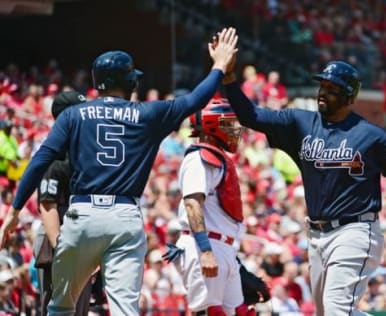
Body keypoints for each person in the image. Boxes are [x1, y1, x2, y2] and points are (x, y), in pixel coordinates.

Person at [0, 27, 238, 316]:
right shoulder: (148, 114)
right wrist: (218, 67)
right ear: (129, 82)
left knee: (61, 307)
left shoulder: (74, 115)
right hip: (124, 218)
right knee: (125, 310)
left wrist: (13, 211)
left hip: (82, 217)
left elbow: (39, 161)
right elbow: (195, 100)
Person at [221, 59, 386, 315]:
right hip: (317, 235)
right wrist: (229, 76)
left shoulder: (370, 136)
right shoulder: (299, 123)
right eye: (322, 85)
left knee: (336, 311)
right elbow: (250, 115)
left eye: (332, 88)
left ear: (349, 96)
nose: (323, 92)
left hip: (355, 230)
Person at [170, 98, 254, 315]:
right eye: (229, 123)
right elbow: (192, 204)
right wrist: (206, 249)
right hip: (204, 246)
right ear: (212, 125)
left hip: (222, 247)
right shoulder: (200, 157)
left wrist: (234, 261)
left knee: (241, 312)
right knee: (210, 312)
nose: (235, 129)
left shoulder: (217, 157)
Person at [33, 90, 93, 315]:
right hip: (57, 237)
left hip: (81, 241)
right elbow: (48, 205)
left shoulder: (82, 152)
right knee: (58, 309)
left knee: (80, 309)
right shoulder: (56, 154)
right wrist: (62, 249)